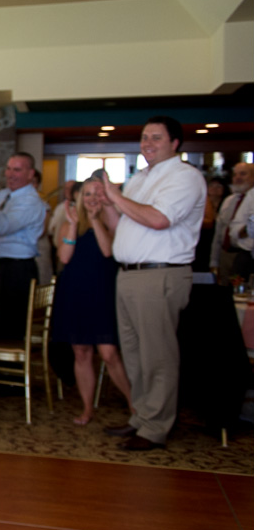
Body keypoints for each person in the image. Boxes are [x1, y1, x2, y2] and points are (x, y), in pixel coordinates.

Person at [98, 116, 205, 450]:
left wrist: (115, 196)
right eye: (144, 137)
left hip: (159, 273)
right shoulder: (141, 178)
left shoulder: (185, 177)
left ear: (175, 143)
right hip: (129, 273)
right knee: (134, 353)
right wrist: (103, 204)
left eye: (156, 138)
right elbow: (123, 223)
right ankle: (141, 417)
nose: (147, 143)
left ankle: (156, 427)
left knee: (157, 355)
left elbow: (159, 219)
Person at [51, 178, 133, 425]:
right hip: (75, 291)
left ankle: (134, 404)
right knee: (81, 352)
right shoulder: (69, 224)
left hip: (102, 291)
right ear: (79, 198)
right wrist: (75, 225)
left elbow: (108, 251)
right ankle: (87, 409)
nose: (92, 199)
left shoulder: (110, 221)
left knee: (108, 352)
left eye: (97, 193)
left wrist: (95, 220)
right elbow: (64, 257)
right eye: (87, 194)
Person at [0, 152, 47, 340]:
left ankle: (8, 369)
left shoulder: (31, 201)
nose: (9, 174)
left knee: (11, 326)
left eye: (17, 169)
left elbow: (3, 226)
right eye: (8, 168)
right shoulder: (4, 195)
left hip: (17, 268)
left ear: (31, 174)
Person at [210, 162, 254, 282]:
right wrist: (214, 261)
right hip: (226, 255)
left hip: (247, 254)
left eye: (243, 174)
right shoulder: (229, 200)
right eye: (235, 175)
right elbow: (219, 233)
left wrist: (245, 230)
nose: (238, 178)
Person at [194, 176, 228, 271]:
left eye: (218, 186)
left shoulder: (227, 203)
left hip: (217, 238)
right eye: (212, 185)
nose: (214, 188)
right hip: (203, 240)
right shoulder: (201, 202)